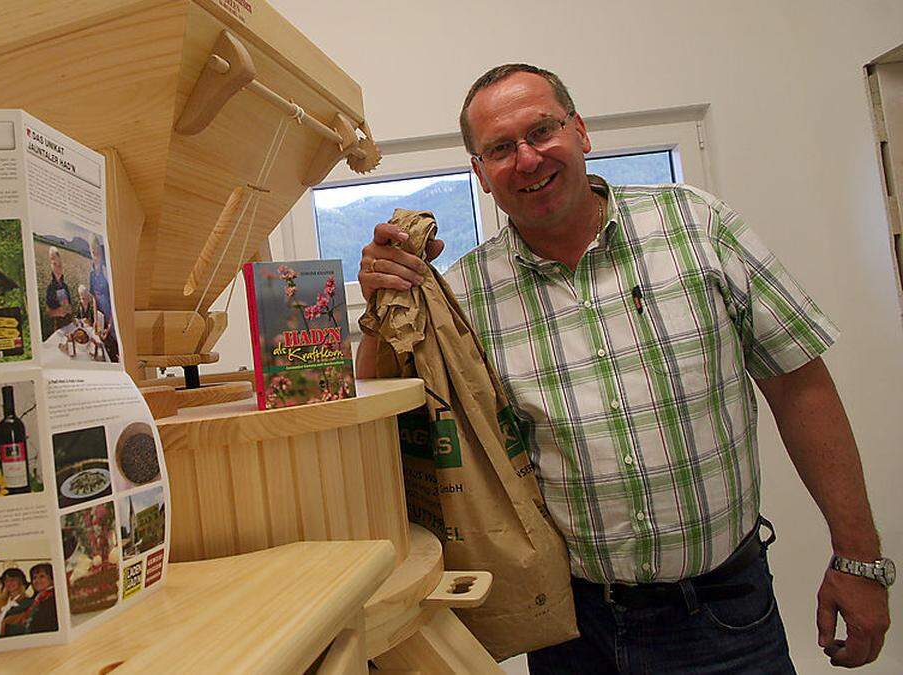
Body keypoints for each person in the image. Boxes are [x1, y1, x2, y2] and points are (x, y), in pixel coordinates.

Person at [355, 63, 891, 672]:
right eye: (501, 149)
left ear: (580, 132)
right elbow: (394, 421)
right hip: (571, 633)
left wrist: (858, 558)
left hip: (722, 616)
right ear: (480, 174)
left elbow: (801, 389)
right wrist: (381, 304)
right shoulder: (467, 295)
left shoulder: (698, 227)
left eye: (541, 132)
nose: (527, 159)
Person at [87, 235, 120, 362]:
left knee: (114, 347)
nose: (95, 254)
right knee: (103, 347)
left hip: (111, 316)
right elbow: (94, 297)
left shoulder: (107, 273)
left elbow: (114, 300)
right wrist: (95, 319)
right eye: (92, 251)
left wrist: (110, 325)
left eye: (97, 251)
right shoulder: (91, 274)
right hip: (101, 318)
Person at [0, 568, 31, 640]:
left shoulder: (27, 603)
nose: (9, 583)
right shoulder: (0, 602)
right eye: (6, 581)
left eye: (13, 580)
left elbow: (24, 628)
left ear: (21, 582)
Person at [44, 247, 73, 335]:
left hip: (69, 325)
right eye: (55, 264)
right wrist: (57, 312)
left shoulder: (65, 286)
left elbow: (70, 307)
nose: (58, 267)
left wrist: (69, 309)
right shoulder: (50, 287)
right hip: (59, 329)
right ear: (51, 266)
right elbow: (48, 313)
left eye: (60, 264)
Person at [25, 563, 58, 634]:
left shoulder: (55, 598)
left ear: (52, 578)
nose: (37, 580)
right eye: (34, 578)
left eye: (42, 576)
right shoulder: (36, 599)